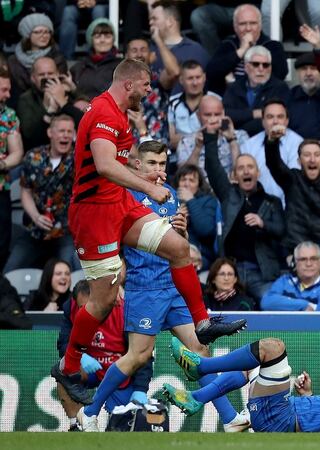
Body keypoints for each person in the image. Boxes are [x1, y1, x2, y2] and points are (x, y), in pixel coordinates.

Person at [53, 59, 245, 407]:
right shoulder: (105, 114)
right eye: (146, 85)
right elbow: (105, 165)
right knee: (103, 301)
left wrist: (144, 178)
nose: (150, 91)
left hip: (119, 206)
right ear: (129, 84)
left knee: (178, 247)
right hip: (94, 214)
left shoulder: (118, 114)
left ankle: (202, 322)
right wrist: (149, 187)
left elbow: (118, 163)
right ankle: (68, 367)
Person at [74, 140, 248, 432]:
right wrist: (115, 280)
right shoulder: (124, 196)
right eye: (152, 163)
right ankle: (90, 412)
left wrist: (183, 231)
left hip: (173, 288)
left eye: (162, 164)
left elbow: (179, 246)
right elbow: (111, 244)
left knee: (199, 352)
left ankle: (229, 419)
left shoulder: (169, 197)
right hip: (144, 288)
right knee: (138, 356)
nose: (158, 169)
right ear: (137, 165)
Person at [162, 335, 320, 432]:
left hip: (282, 419)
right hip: (286, 416)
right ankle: (204, 401)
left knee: (272, 348)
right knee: (252, 367)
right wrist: (308, 395)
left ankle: (200, 371)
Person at [55, 280, 151, 432]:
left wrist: (140, 389)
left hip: (119, 374)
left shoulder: (126, 310)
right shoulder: (70, 308)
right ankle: (76, 425)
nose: (86, 313)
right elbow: (63, 343)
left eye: (90, 308)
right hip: (90, 371)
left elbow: (142, 354)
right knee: (63, 371)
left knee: (122, 427)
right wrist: (80, 357)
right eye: (82, 308)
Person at [205, 126, 285, 301]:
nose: (246, 171)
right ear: (234, 175)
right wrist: (210, 136)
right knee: (222, 306)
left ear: (258, 173)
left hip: (262, 273)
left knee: (270, 302)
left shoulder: (272, 202)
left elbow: (281, 230)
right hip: (231, 272)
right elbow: (212, 167)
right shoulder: (228, 195)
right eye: (241, 168)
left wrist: (263, 224)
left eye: (250, 167)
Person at [264, 134, 320, 280]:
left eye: (317, 155)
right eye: (307, 155)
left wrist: (316, 254)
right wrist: (272, 142)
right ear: (299, 161)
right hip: (294, 257)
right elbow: (274, 164)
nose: (312, 159)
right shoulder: (291, 180)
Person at [6, 115, 79, 272]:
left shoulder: (78, 159)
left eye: (69, 131)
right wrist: (36, 216)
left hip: (64, 233)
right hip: (34, 232)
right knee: (9, 272)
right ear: (50, 133)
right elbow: (25, 191)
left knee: (68, 274)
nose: (65, 135)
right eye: (61, 131)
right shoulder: (33, 157)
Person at [204, 4, 288, 96]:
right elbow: (211, 72)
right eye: (242, 24)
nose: (248, 28)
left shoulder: (273, 46)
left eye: (253, 23)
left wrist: (233, 82)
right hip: (229, 103)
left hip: (263, 101)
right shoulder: (227, 45)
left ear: (260, 26)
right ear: (235, 27)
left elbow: (280, 74)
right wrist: (241, 51)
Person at [240, 99, 303, 206]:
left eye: (280, 117)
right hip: (256, 207)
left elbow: (294, 182)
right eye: (270, 117)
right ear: (263, 121)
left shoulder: (298, 143)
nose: (275, 121)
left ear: (287, 121)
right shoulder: (248, 145)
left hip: (289, 207)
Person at [17, 56, 84, 150]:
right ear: (33, 78)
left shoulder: (67, 91)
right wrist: (46, 109)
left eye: (50, 73)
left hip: (72, 150)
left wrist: (73, 91)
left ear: (57, 74)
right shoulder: (26, 99)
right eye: (41, 74)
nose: (47, 77)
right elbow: (29, 136)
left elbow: (87, 120)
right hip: (41, 151)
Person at [222, 45, 290, 136]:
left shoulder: (280, 88)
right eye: (256, 64)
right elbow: (225, 114)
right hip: (235, 139)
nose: (261, 69)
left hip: (269, 139)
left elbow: (278, 121)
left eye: (265, 65)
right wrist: (253, 114)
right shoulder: (235, 87)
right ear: (246, 67)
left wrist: (242, 127)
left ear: (270, 68)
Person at [148, 0, 210, 95]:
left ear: (170, 22)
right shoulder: (148, 50)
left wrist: (158, 40)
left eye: (154, 19)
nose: (150, 23)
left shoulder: (196, 51)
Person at [177, 95, 246, 179]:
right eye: (208, 115)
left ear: (223, 113)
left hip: (231, 188)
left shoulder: (240, 136)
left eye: (217, 114)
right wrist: (198, 147)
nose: (213, 119)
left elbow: (242, 175)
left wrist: (232, 140)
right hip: (201, 190)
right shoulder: (186, 142)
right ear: (198, 116)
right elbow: (184, 178)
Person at [7, 13, 67, 100]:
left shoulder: (57, 58)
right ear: (27, 34)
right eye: (38, 32)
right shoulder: (13, 61)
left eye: (47, 32)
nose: (44, 35)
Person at [286, 53, 320, 140]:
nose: (308, 73)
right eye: (304, 69)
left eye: (314, 68)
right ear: (297, 73)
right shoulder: (288, 97)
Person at [261, 241, 320, 311]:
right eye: (303, 259)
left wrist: (286, 304)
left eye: (313, 259)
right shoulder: (284, 281)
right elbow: (266, 302)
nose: (308, 264)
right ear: (295, 263)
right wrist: (305, 305)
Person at [0, 68, 24, 271]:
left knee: (2, 242)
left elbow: (17, 153)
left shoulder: (8, 115)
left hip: (1, 187)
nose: (8, 95)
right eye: (4, 90)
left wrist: (2, 164)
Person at [174, 163, 218, 270]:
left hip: (202, 257)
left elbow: (205, 229)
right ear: (178, 183)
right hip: (174, 255)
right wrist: (177, 217)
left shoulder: (208, 201)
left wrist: (191, 200)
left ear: (199, 184)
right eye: (183, 180)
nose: (187, 184)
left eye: (192, 180)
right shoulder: (169, 202)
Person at [168, 61, 217, 150]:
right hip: (179, 159)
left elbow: (216, 136)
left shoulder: (215, 101)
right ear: (181, 80)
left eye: (198, 77)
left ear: (204, 78)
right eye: (190, 78)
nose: (195, 83)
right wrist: (198, 135)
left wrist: (183, 138)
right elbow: (173, 142)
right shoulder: (172, 103)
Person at [69, 18, 121, 100]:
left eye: (107, 36)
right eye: (97, 36)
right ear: (91, 40)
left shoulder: (121, 66)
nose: (102, 40)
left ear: (113, 39)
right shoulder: (79, 67)